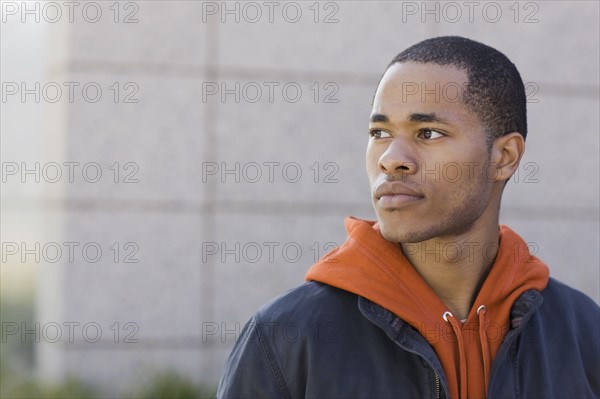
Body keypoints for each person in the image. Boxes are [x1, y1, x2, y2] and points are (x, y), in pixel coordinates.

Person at [216, 36, 599, 398]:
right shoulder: (285, 337)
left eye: (428, 133)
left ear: (505, 157)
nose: (390, 158)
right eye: (379, 132)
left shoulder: (584, 332)